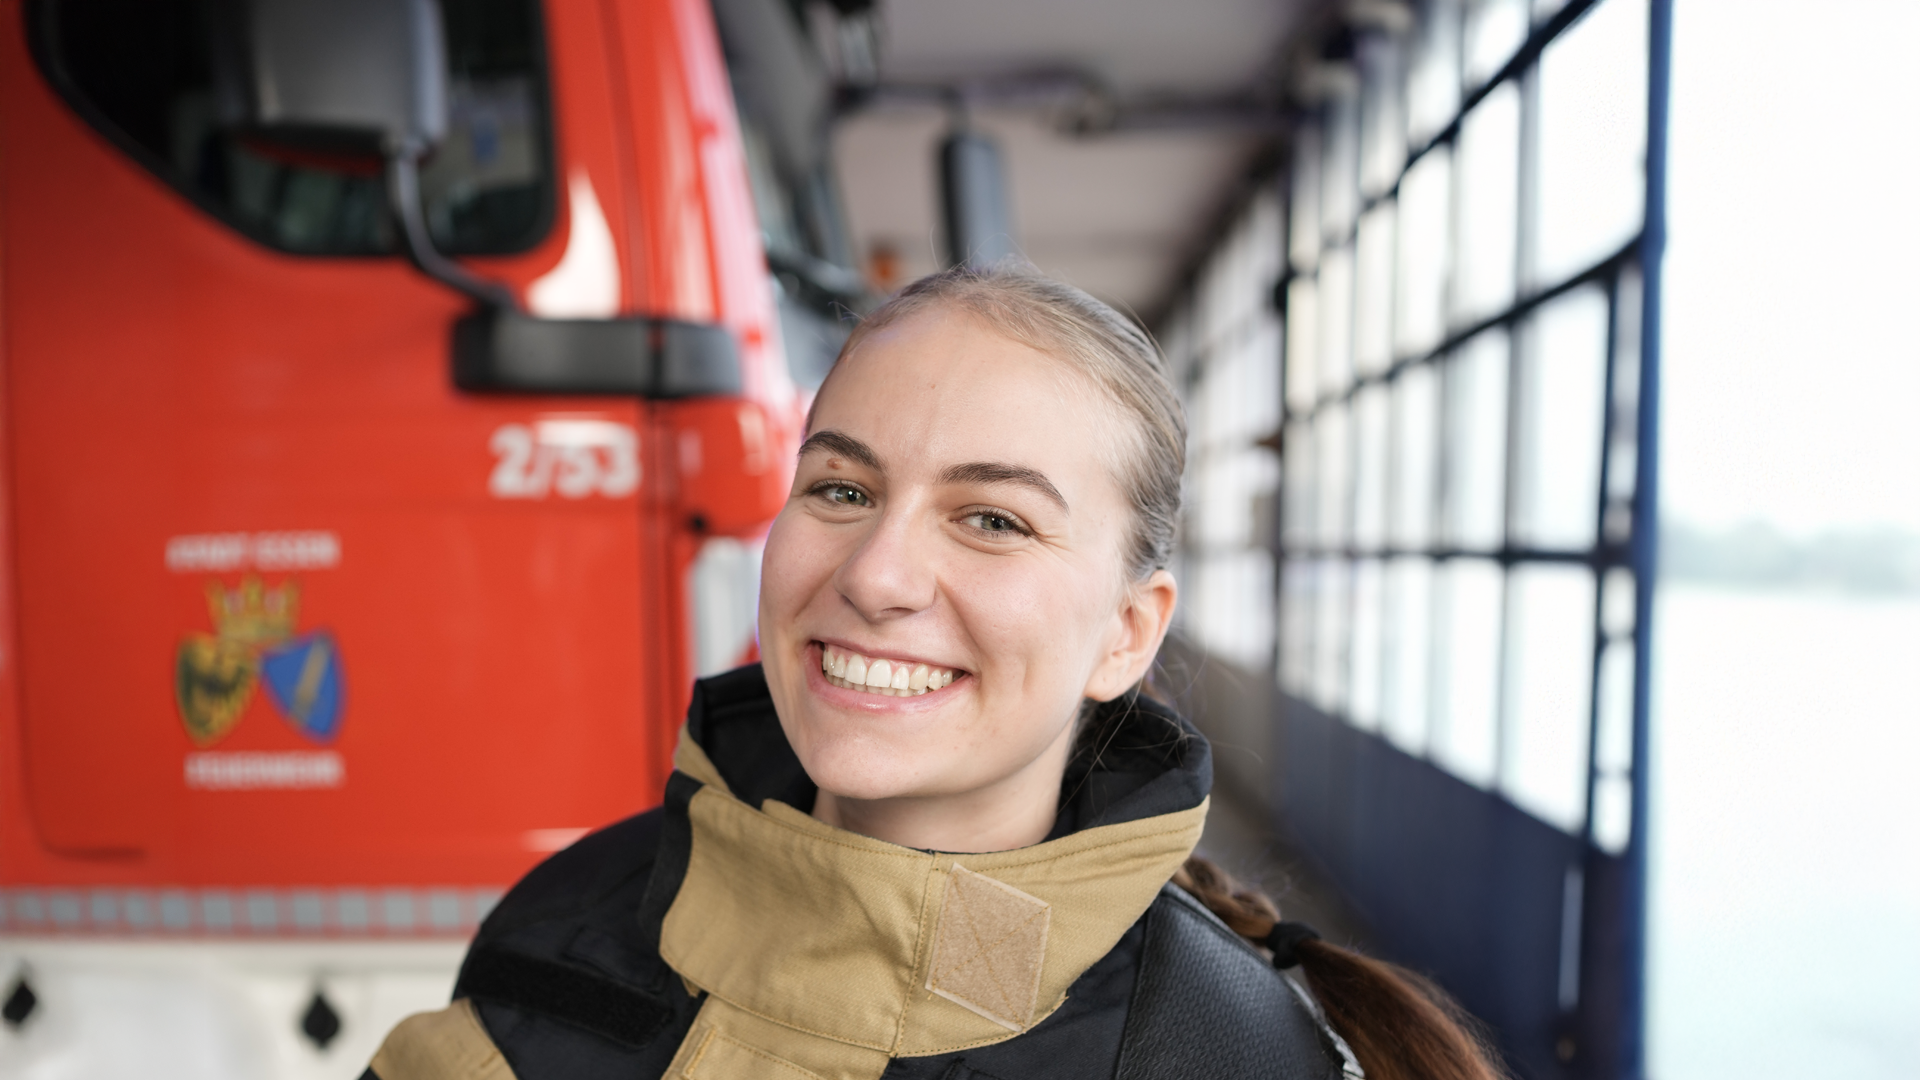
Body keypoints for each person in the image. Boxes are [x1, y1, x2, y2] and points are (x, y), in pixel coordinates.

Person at [362, 265, 1505, 1080]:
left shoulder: (1223, 1055)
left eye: (993, 520)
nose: (879, 573)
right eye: (843, 490)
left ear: (1127, 632)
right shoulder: (567, 921)